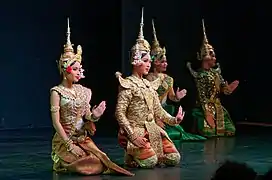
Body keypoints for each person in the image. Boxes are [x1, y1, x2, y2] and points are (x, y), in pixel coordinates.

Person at [50, 18, 134, 176]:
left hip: (82, 139)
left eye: (79, 69)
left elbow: (86, 116)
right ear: (65, 70)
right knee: (88, 164)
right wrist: (69, 144)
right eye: (75, 69)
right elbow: (56, 122)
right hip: (65, 140)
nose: (78, 73)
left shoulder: (84, 91)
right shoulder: (57, 92)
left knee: (100, 161)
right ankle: (63, 162)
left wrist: (94, 116)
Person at [115, 8, 184, 168]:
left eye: (149, 61)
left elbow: (158, 110)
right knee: (150, 162)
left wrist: (174, 120)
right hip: (136, 130)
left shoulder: (148, 85)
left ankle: (147, 153)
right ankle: (132, 154)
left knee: (174, 158)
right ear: (136, 61)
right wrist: (131, 135)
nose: (149, 64)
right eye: (146, 61)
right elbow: (119, 113)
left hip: (153, 130)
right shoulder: (127, 84)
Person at [146, 19, 206, 141]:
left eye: (166, 61)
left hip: (165, 111)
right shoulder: (148, 78)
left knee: (177, 134)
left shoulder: (169, 79)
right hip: (151, 112)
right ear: (155, 62)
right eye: (162, 61)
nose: (165, 64)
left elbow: (171, 97)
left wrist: (177, 97)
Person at [187, 19, 239, 138]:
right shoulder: (200, 75)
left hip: (218, 107)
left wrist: (228, 89)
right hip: (204, 107)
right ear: (205, 57)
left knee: (230, 131)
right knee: (209, 133)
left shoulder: (216, 73)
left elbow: (222, 89)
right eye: (212, 55)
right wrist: (207, 114)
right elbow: (202, 97)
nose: (214, 58)